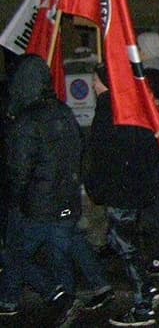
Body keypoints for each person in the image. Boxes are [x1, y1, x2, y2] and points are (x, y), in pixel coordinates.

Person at [0, 55, 112, 325]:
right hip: (65, 199)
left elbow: (19, 170)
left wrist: (14, 199)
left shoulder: (26, 121)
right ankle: (63, 299)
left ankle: (55, 295)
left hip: (36, 204)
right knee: (60, 252)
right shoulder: (63, 111)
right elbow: (76, 153)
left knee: (14, 253)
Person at [85, 64, 159, 326]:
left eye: (96, 80)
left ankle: (143, 304)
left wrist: (96, 187)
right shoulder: (133, 105)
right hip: (135, 187)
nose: (93, 85)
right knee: (125, 241)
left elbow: (101, 155)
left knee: (125, 245)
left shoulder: (107, 108)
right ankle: (148, 289)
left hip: (120, 189)